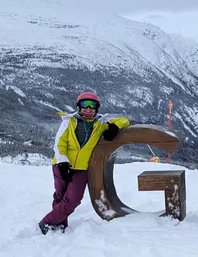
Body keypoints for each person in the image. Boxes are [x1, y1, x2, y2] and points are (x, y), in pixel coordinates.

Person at [38, 92, 130, 234]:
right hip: (61, 165)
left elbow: (125, 120)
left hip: (82, 169)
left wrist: (115, 127)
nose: (88, 108)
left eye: (92, 105)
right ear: (78, 107)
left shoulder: (101, 124)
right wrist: (62, 162)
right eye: (84, 105)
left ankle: (48, 222)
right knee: (60, 195)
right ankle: (60, 223)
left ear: (97, 108)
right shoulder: (69, 121)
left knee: (73, 199)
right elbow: (59, 144)